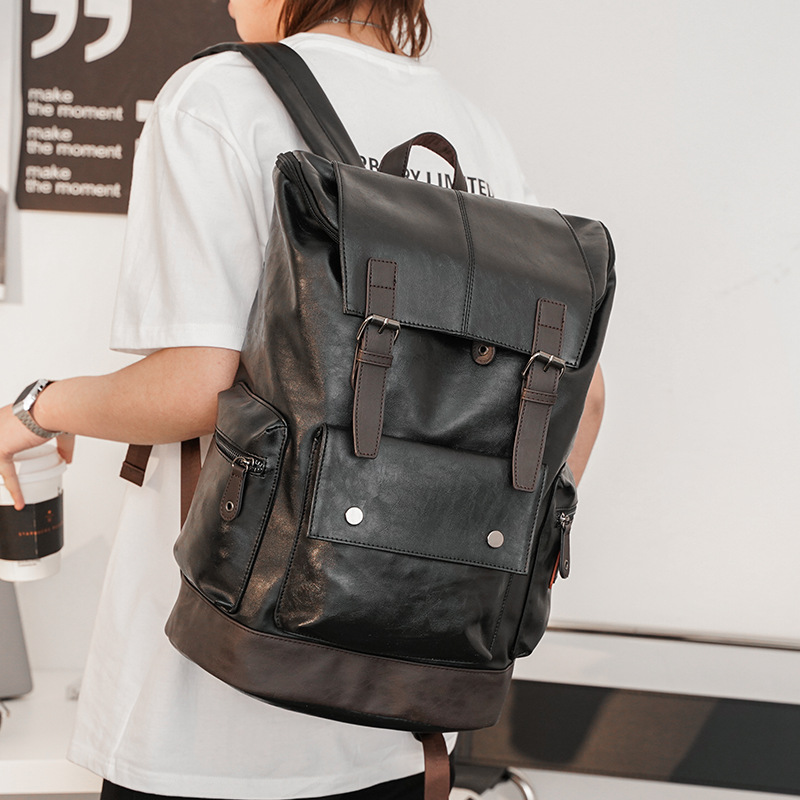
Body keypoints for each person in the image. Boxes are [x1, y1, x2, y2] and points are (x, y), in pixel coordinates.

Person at [0, 2, 606, 798]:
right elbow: (585, 397)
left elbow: (199, 383)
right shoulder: (473, 130)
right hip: (404, 722)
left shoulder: (219, 96)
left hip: (216, 715)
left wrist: (36, 409)